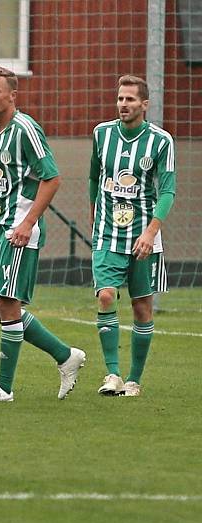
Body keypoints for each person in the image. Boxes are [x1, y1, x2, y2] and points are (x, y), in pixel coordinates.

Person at [0, 65, 86, 403]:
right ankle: (66, 355)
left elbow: (52, 178)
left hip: (20, 232)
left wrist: (28, 222)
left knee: (7, 303)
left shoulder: (25, 129)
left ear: (12, 95)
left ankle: (4, 388)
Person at [90, 75, 174, 397]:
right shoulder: (102, 134)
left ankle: (134, 380)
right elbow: (93, 179)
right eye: (120, 98)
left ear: (144, 104)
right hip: (108, 232)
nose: (123, 104)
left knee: (142, 308)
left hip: (144, 235)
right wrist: (94, 219)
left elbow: (167, 190)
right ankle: (112, 374)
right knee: (106, 296)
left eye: (130, 99)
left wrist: (151, 232)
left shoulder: (160, 141)